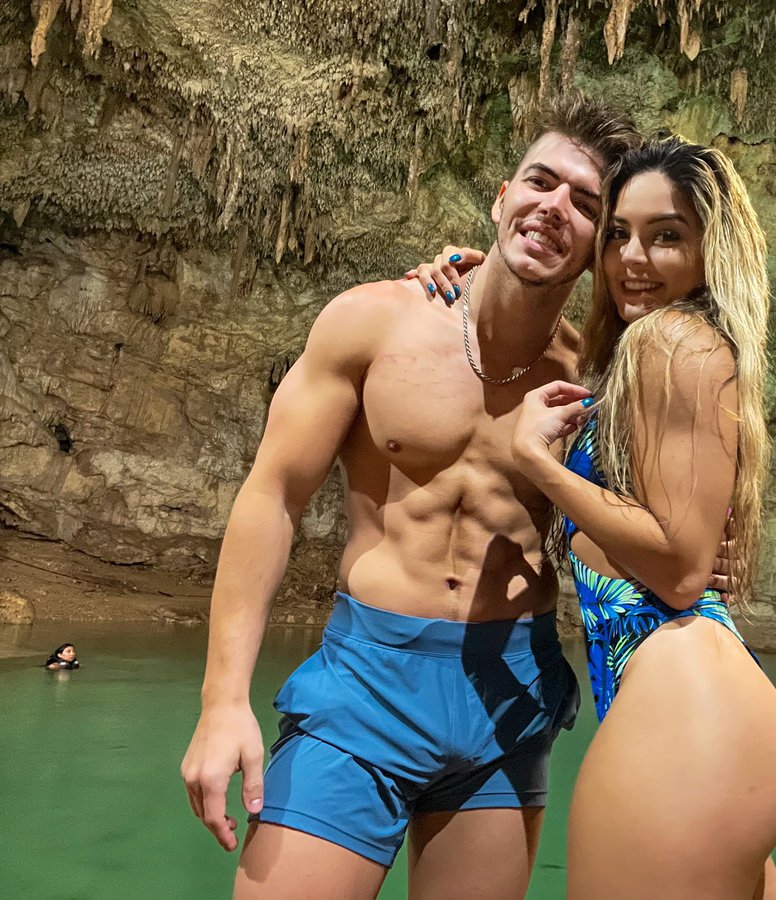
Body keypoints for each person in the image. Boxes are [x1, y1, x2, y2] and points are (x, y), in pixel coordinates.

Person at [180, 95, 645, 900]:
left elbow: (637, 530)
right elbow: (274, 497)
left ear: (601, 246)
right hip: (365, 685)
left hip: (511, 694)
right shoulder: (373, 323)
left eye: (585, 203)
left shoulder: (594, 379)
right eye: (541, 182)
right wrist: (222, 701)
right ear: (502, 198)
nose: (554, 207)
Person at [414, 137, 776, 898]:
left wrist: (539, 465)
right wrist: (470, 271)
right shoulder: (665, 353)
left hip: (680, 713)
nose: (633, 258)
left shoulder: (670, 342)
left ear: (710, 251)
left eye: (667, 236)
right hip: (718, 714)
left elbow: (680, 571)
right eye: (619, 233)